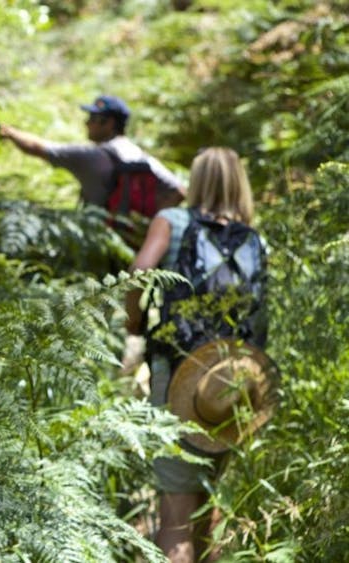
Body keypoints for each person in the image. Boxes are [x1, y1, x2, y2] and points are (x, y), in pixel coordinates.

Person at [123, 147, 264, 563]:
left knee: (177, 516)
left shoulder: (172, 221)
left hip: (181, 374)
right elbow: (260, 321)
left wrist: (133, 324)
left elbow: (138, 274)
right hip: (235, 383)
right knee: (207, 503)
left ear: (197, 180)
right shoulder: (253, 239)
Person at [0, 94, 186, 212]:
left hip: (101, 236)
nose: (87, 123)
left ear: (109, 123)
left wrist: (8, 132)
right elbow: (179, 191)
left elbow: (38, 148)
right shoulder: (137, 153)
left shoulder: (91, 156)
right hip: (134, 241)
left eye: (93, 118)